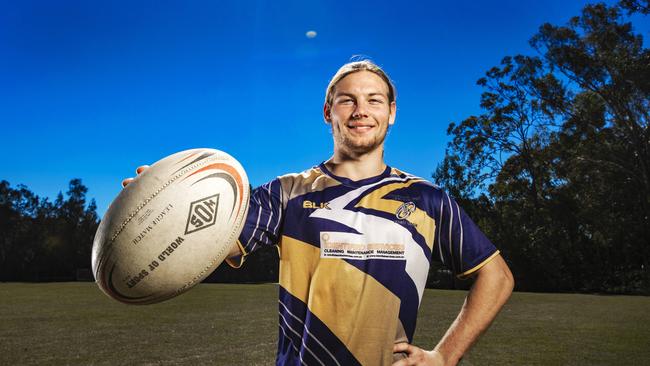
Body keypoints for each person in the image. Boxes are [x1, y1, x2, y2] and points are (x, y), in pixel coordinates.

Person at [124, 60, 514, 366]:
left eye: (374, 100)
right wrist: (165, 206)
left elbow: (496, 276)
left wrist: (445, 355)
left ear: (391, 113)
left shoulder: (428, 200)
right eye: (348, 100)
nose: (361, 110)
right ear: (328, 111)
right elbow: (211, 236)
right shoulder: (286, 193)